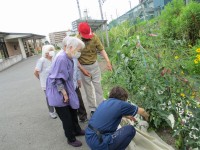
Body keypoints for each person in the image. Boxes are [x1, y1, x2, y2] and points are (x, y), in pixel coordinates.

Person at [45, 36, 85, 147]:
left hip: (66, 88)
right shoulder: (62, 58)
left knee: (73, 111)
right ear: (71, 47)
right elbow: (57, 79)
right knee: (66, 117)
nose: (79, 52)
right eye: (79, 50)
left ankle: (76, 130)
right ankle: (71, 138)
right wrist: (64, 94)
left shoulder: (69, 56)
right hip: (59, 92)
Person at [85, 86, 149, 150]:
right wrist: (147, 117)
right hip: (99, 142)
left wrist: (127, 116)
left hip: (89, 136)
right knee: (130, 129)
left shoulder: (105, 102)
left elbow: (110, 113)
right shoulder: (121, 104)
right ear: (123, 98)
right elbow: (142, 111)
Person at [77, 22, 112, 116]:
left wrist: (108, 61)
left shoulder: (94, 37)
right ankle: (93, 109)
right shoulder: (76, 41)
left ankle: (101, 108)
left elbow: (101, 49)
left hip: (95, 66)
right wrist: (82, 69)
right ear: (79, 32)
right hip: (83, 67)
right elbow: (74, 58)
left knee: (98, 87)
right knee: (88, 90)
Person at [34, 45, 57, 119]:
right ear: (45, 52)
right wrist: (41, 79)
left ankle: (57, 109)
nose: (51, 52)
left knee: (56, 95)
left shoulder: (54, 59)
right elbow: (35, 72)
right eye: (49, 50)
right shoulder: (42, 60)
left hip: (54, 81)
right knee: (49, 97)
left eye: (52, 50)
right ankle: (51, 112)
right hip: (45, 83)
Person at [73, 57, 88, 122]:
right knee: (70, 102)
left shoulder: (74, 58)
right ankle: (74, 118)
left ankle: (83, 116)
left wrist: (79, 80)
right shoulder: (62, 58)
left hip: (75, 84)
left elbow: (77, 69)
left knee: (79, 99)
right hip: (67, 85)